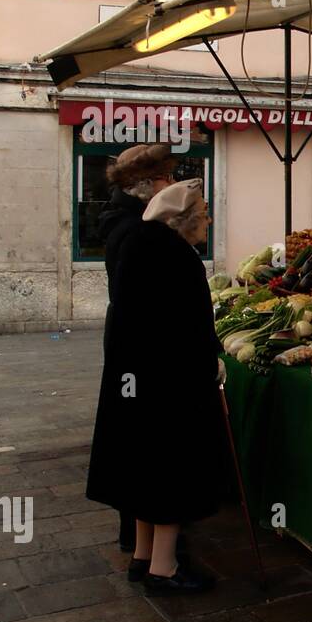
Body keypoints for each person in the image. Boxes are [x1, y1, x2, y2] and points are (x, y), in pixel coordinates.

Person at [87, 180, 222, 594]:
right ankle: (164, 569)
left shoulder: (136, 245)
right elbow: (188, 327)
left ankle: (143, 556)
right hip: (168, 383)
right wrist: (211, 363)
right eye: (202, 212)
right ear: (182, 220)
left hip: (134, 379)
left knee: (142, 468)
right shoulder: (175, 256)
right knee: (170, 470)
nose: (208, 219)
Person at [99, 145, 177, 553]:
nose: (171, 184)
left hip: (129, 348)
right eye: (165, 178)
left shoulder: (122, 222)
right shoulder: (141, 232)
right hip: (147, 355)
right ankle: (155, 554)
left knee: (135, 446)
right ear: (145, 186)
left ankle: (141, 544)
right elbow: (152, 303)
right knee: (151, 450)